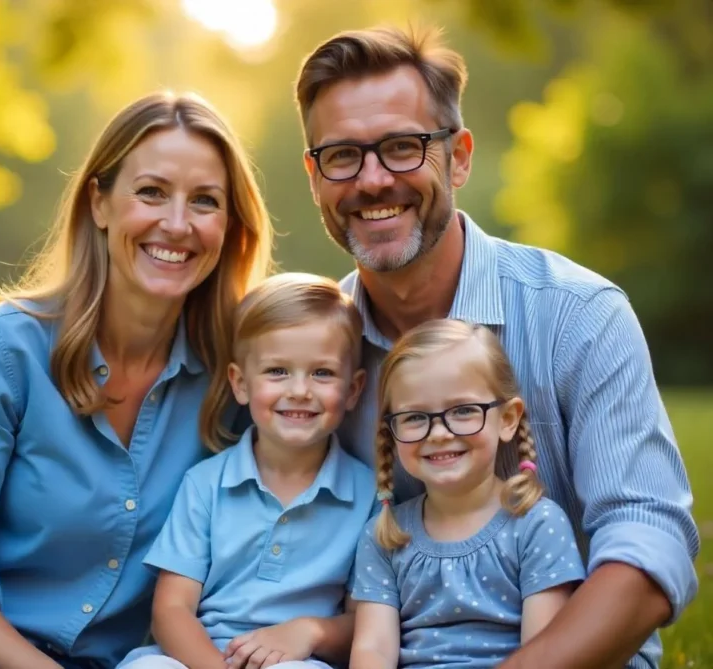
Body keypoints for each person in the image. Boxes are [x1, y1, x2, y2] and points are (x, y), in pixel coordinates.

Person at [293, 24, 699, 669]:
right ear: (315, 176)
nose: (372, 181)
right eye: (342, 156)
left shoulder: (578, 314)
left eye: (403, 147)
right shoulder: (305, 357)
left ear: (458, 157)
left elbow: (649, 543)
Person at [0, 91, 273, 669]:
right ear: (99, 204)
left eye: (205, 201)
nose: (177, 225)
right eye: (151, 192)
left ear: (230, 225)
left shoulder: (238, 380)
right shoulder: (5, 346)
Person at [115, 272, 377, 669]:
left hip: (296, 659)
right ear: (240, 384)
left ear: (354, 390)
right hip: (202, 655)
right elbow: (171, 611)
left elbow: (367, 623)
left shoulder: (370, 494)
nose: (300, 390)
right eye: (277, 371)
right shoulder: (205, 483)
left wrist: (311, 631)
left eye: (322, 373)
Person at [349, 318, 587, 668]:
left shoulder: (536, 524)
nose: (440, 432)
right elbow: (373, 650)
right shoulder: (386, 536)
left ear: (507, 419)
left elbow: (543, 649)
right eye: (415, 417)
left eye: (463, 411)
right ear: (392, 430)